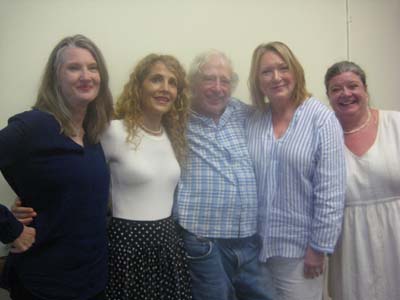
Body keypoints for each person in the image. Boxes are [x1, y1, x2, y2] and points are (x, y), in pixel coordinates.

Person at [0, 34, 113, 300]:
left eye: (93, 67)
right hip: (44, 285)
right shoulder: (32, 126)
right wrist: (8, 227)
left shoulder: (93, 133)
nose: (86, 75)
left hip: (92, 281)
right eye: (74, 68)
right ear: (56, 78)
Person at [246, 41, 346, 300]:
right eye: (266, 72)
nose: (276, 77)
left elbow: (331, 191)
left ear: (296, 72)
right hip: (255, 251)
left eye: (283, 68)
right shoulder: (254, 119)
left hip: (300, 254)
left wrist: (318, 248)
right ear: (257, 80)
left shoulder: (321, 119)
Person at [174, 50, 275, 300]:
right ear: (193, 84)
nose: (218, 88)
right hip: (204, 241)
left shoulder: (244, 113)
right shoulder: (176, 118)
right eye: (209, 79)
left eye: (225, 81)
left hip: (249, 240)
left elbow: (285, 111)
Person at [102, 54, 192, 300]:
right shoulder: (112, 131)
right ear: (138, 86)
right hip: (125, 247)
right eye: (156, 80)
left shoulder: (173, 136)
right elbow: (78, 179)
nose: (165, 89)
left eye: (172, 83)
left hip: (168, 244)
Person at [325, 61, 400, 300]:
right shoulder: (324, 136)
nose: (345, 93)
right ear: (328, 96)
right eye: (336, 89)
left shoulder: (395, 124)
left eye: (352, 86)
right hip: (350, 245)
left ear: (365, 90)